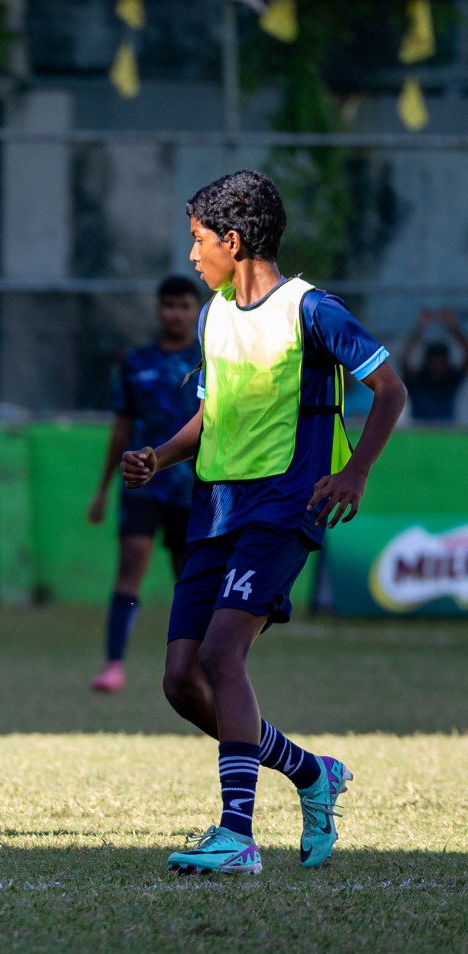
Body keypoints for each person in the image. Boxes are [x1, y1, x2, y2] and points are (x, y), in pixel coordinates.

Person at [122, 170, 406, 876]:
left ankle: (238, 835)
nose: (192, 256)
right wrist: (159, 456)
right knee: (181, 681)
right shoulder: (217, 314)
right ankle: (311, 772)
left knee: (224, 655)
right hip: (215, 510)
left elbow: (390, 388)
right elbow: (210, 414)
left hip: (285, 507)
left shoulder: (314, 311)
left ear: (233, 239)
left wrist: (356, 470)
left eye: (197, 241)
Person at [86, 276, 202, 694]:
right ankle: (113, 663)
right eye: (169, 305)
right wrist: (102, 489)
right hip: (142, 482)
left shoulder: (210, 358)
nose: (176, 313)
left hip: (192, 486)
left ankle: (194, 665)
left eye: (184, 306)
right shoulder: (135, 362)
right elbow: (121, 427)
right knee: (132, 562)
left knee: (188, 576)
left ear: (196, 310)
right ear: (158, 309)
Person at [399, 307, 468, 423]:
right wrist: (420, 328)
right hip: (418, 430)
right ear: (427, 361)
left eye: (441, 361)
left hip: (446, 430)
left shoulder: (451, 381)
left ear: (447, 362)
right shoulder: (417, 380)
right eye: (434, 360)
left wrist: (454, 327)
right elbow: (404, 359)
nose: (437, 364)